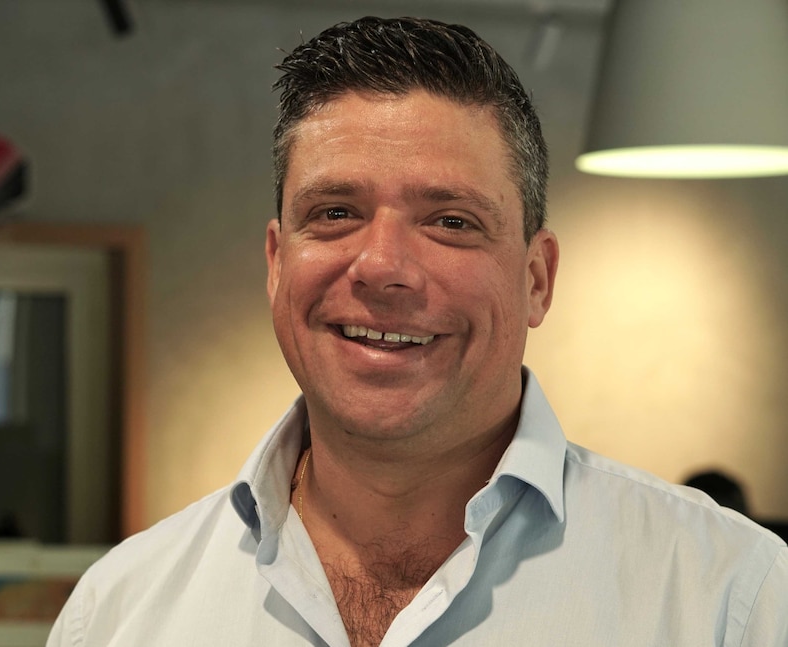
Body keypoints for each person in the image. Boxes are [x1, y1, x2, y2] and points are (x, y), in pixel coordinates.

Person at [47, 16, 788, 646]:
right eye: (336, 211)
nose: (382, 266)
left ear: (537, 278)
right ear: (277, 262)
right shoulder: (119, 613)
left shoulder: (728, 597)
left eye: (451, 221)